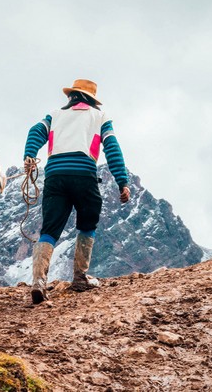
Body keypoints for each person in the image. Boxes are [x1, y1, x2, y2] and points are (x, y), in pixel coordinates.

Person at [22, 79, 131, 304]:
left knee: (50, 228)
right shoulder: (99, 117)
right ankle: (80, 277)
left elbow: (35, 132)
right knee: (87, 223)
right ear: (91, 99)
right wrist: (122, 182)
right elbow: (112, 148)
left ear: (71, 96)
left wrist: (30, 154)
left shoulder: (54, 115)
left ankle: (38, 282)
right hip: (84, 174)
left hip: (55, 175)